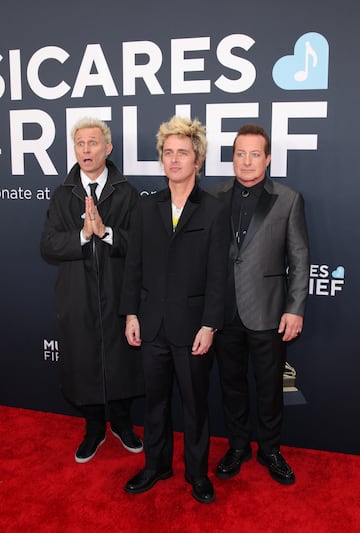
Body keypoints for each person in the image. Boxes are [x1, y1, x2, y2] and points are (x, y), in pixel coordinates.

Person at [120, 116, 228, 504]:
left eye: (183, 153)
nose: (175, 160)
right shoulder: (146, 208)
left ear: (197, 159)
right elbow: (133, 265)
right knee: (155, 402)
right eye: (168, 153)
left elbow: (219, 275)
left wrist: (211, 325)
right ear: (161, 159)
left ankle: (197, 473)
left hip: (193, 328)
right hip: (151, 324)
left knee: (196, 404)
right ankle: (156, 465)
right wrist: (131, 313)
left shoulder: (214, 209)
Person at [210, 124, 309, 485]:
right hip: (224, 312)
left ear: (267, 158)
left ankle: (270, 450)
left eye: (255, 154)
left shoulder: (288, 198)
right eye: (240, 153)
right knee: (231, 385)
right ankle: (238, 446)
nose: (247, 161)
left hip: (269, 310)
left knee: (269, 386)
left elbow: (299, 259)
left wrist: (295, 307)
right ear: (232, 157)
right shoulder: (213, 196)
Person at [40, 117, 144, 463]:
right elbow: (49, 245)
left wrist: (106, 232)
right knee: (83, 363)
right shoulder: (62, 195)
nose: (86, 149)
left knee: (122, 363)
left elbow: (141, 245)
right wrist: (83, 236)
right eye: (80, 144)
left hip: (117, 293)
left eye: (93, 143)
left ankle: (123, 423)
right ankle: (95, 428)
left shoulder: (126, 193)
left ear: (108, 149)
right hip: (77, 295)